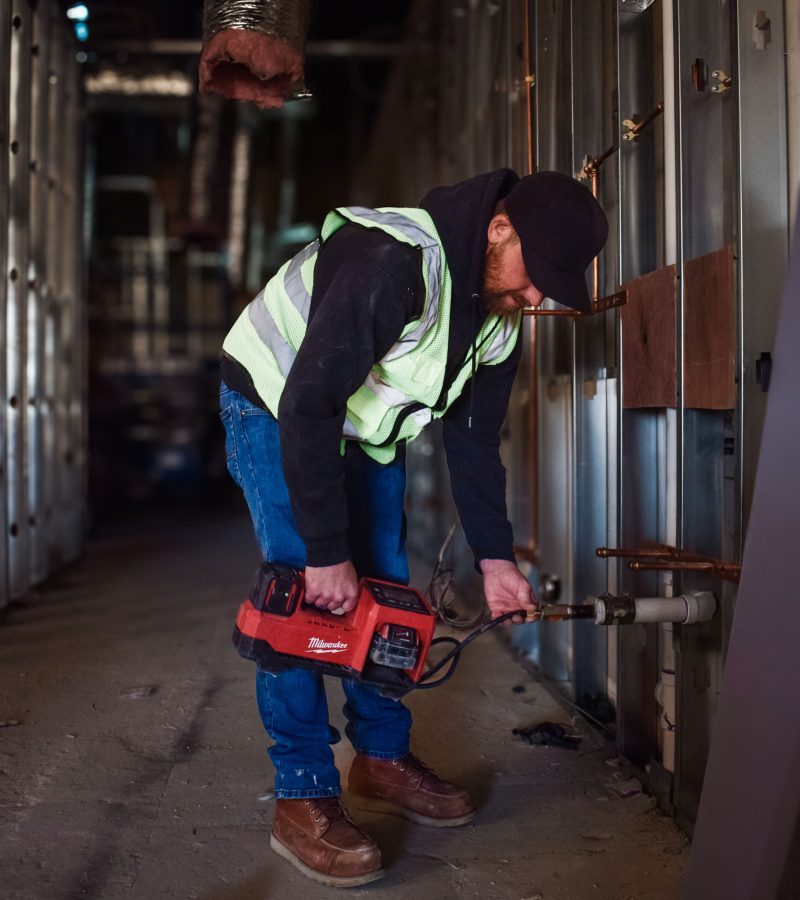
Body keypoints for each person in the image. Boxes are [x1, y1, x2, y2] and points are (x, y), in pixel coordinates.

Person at [219, 168, 608, 887]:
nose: (535, 296)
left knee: (385, 592)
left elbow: (472, 439)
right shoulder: (391, 262)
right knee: (302, 596)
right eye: (536, 275)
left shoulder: (499, 318)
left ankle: (381, 758)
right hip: (277, 406)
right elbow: (308, 406)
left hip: (361, 426)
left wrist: (495, 559)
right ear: (499, 229)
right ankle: (302, 794)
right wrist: (327, 553)